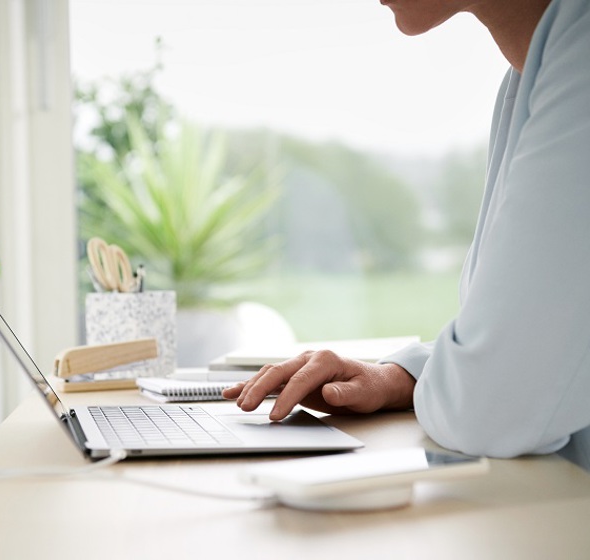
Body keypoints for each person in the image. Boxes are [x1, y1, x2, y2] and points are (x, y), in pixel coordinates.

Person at [224, 0, 590, 471]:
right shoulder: (530, 78)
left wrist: (461, 380)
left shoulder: (579, 66)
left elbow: (492, 407)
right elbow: (540, 345)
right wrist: (401, 377)